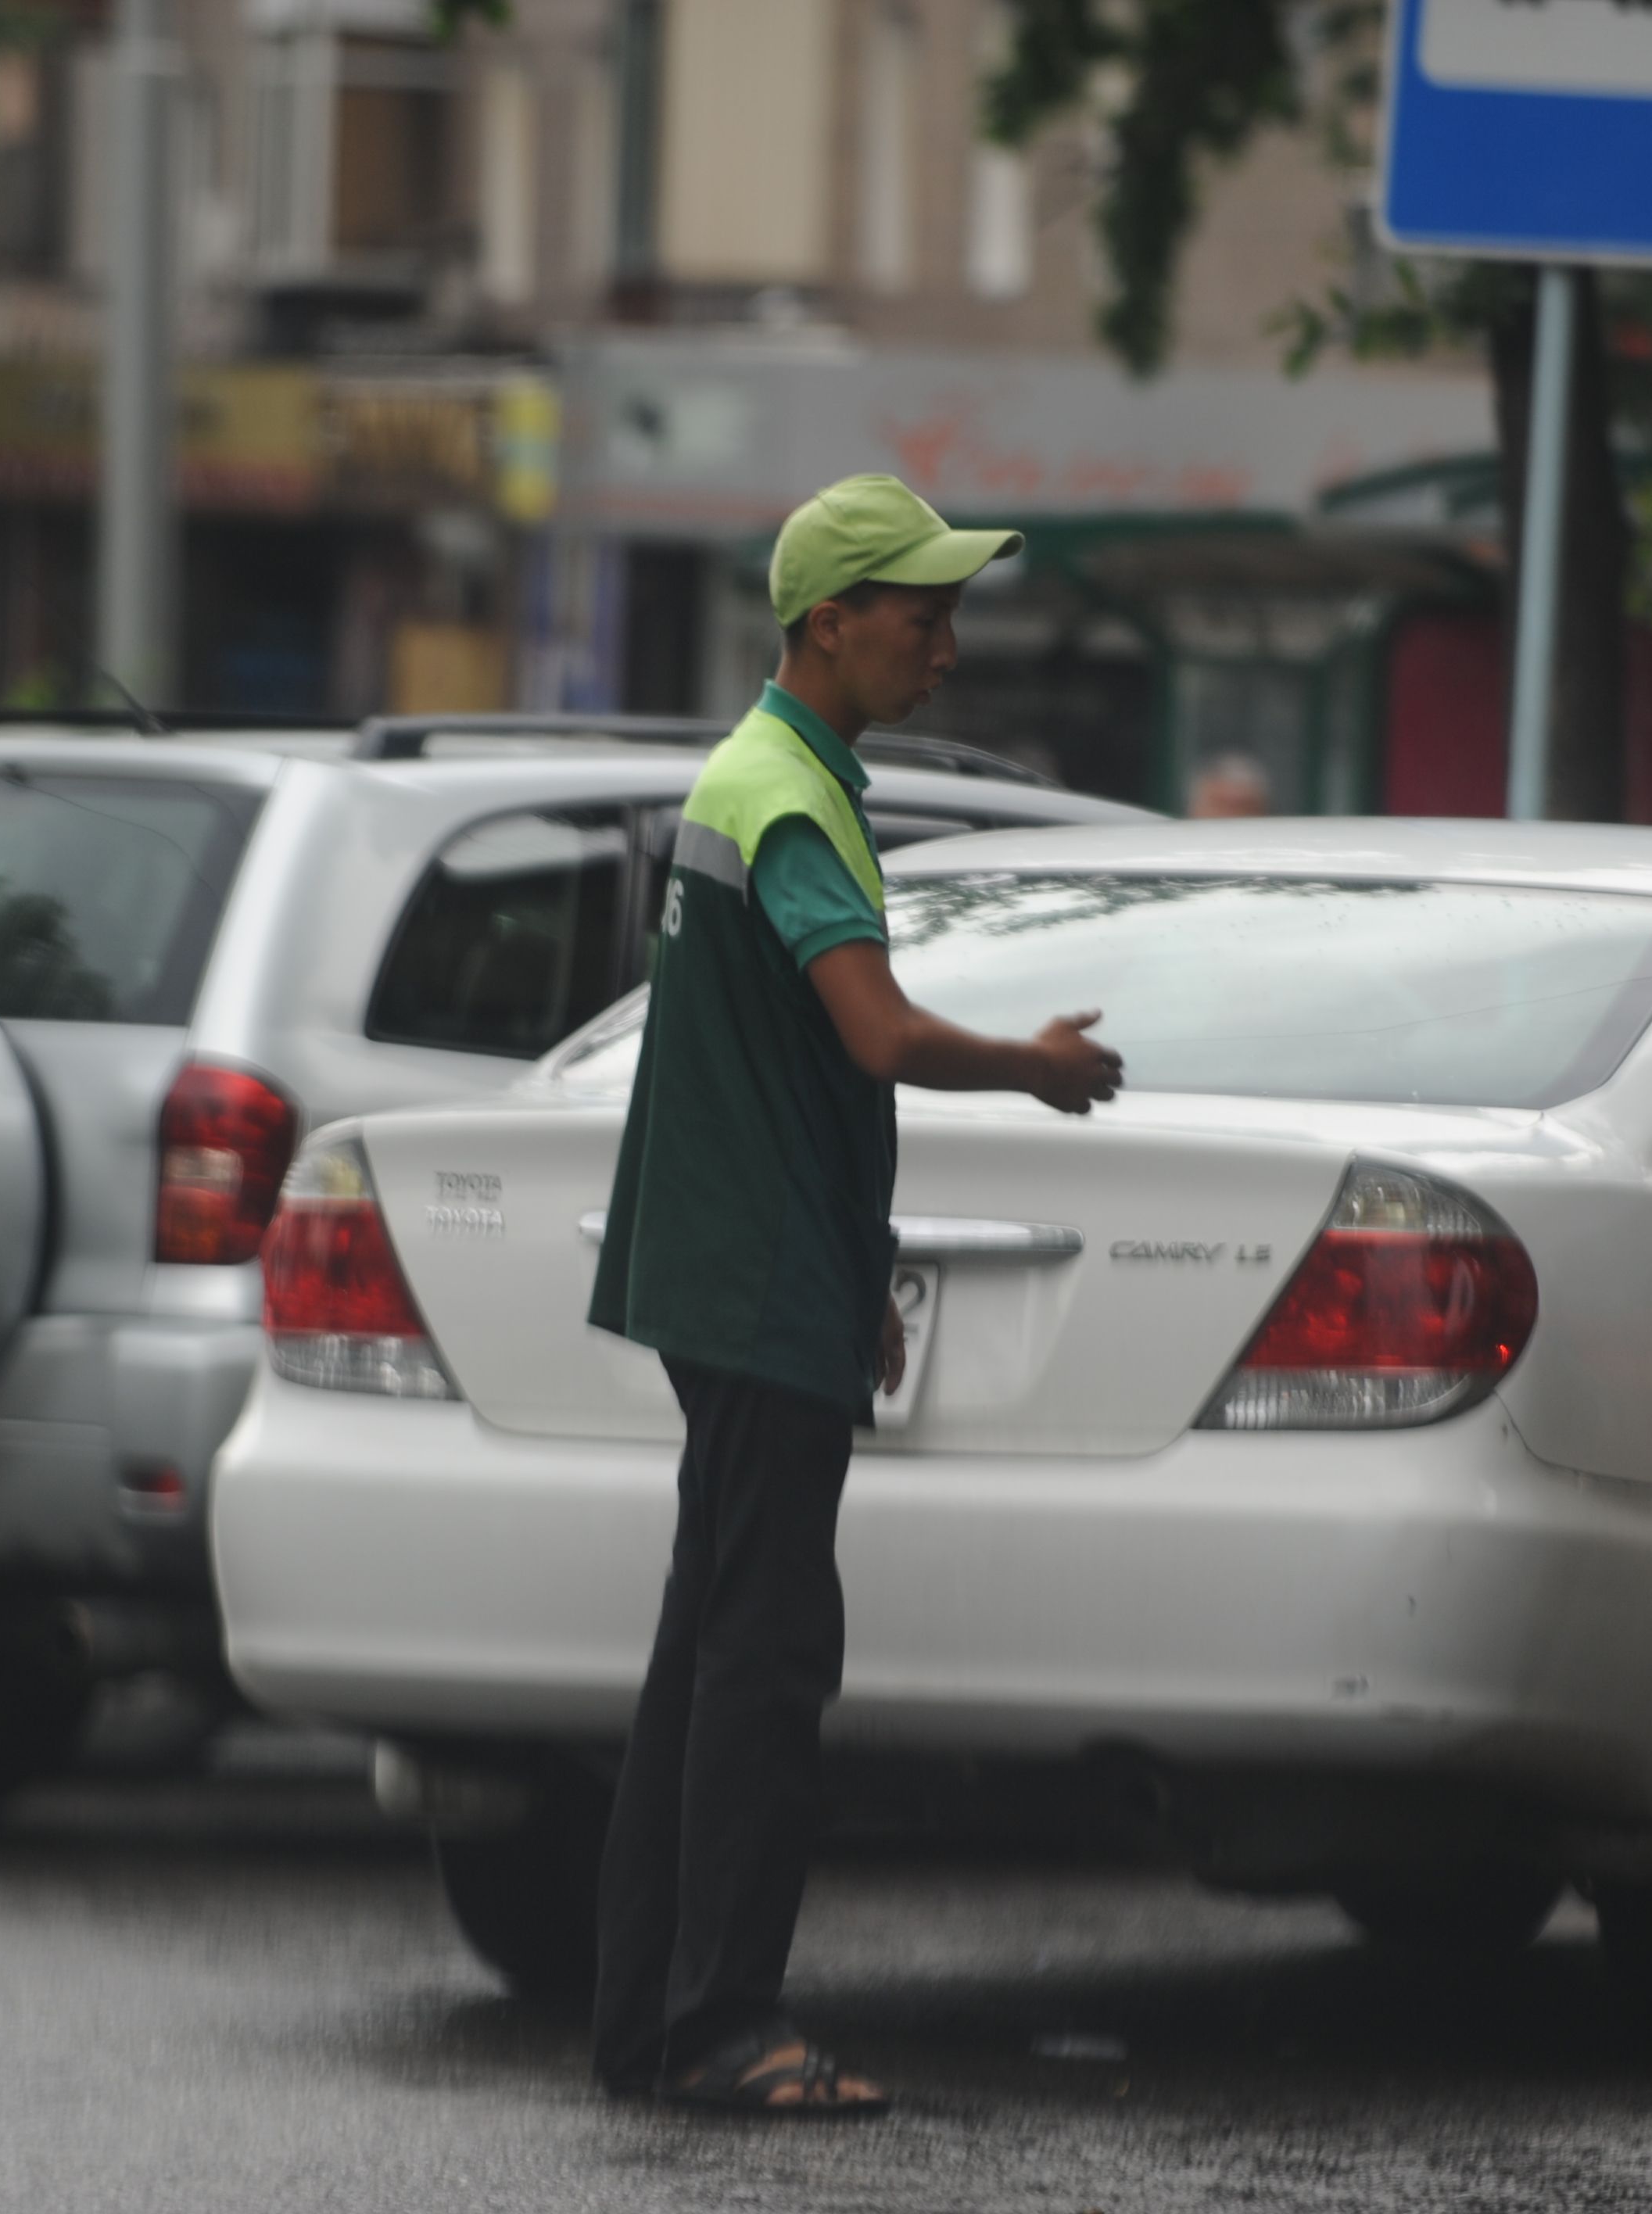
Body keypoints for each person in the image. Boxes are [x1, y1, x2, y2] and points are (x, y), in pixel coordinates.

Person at [582, 474, 1125, 2116]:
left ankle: (647, 2022)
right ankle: (728, 2021)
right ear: (830, 619)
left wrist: (852, 1263)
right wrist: (1029, 1068)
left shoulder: (749, 773)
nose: (947, 643)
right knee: (762, 1657)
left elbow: (765, 1079)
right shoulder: (796, 803)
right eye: (921, 611)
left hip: (743, 1271)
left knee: (704, 1648)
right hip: (754, 1286)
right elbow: (869, 1036)